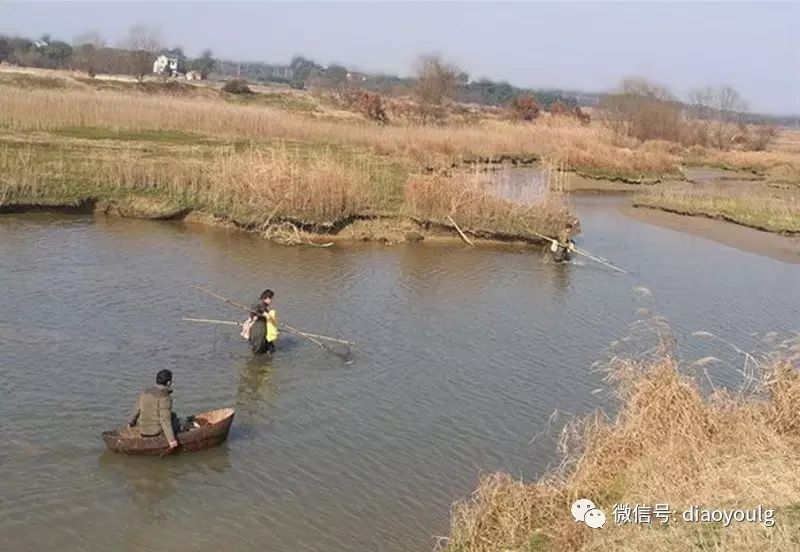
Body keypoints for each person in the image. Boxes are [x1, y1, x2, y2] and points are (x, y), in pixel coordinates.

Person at [127, 369, 190, 449]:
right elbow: (165, 420)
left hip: (143, 431)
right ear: (168, 383)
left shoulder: (145, 392)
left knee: (173, 415)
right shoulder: (165, 397)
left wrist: (130, 423)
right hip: (156, 433)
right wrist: (171, 440)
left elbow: (136, 410)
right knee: (182, 421)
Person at [243, 289, 279, 354]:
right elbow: (256, 309)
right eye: (271, 298)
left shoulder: (263, 304)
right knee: (258, 350)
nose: (271, 301)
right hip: (258, 328)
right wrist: (264, 313)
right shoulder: (260, 304)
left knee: (268, 348)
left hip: (261, 327)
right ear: (267, 298)